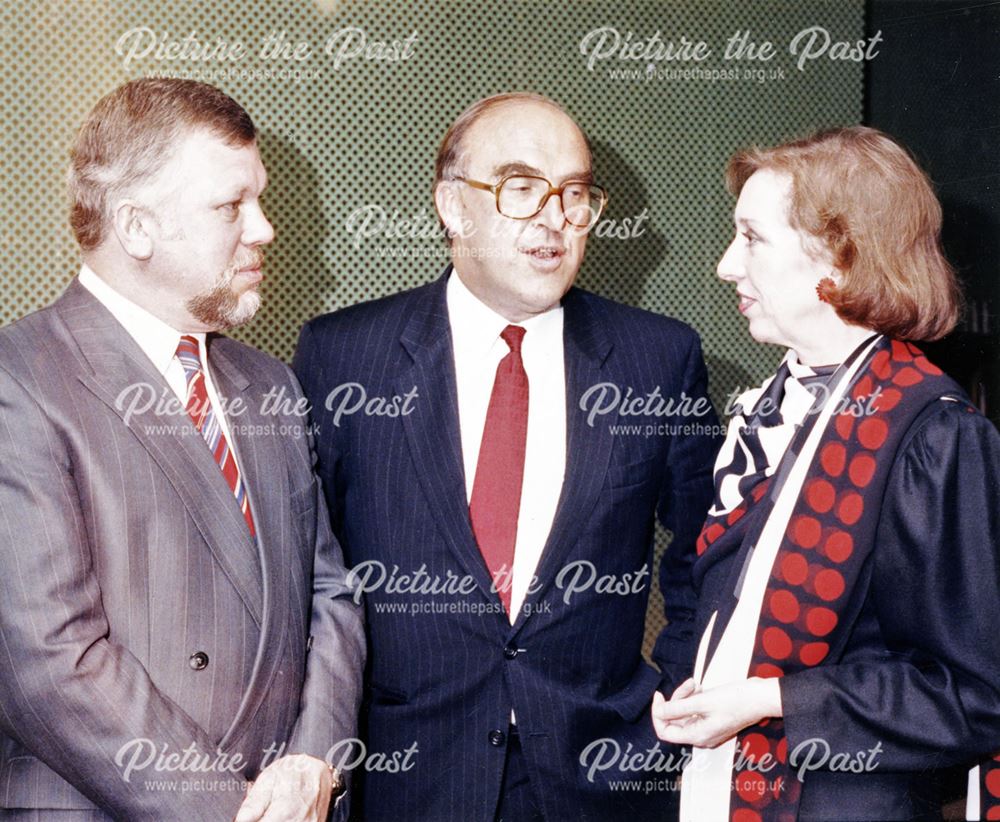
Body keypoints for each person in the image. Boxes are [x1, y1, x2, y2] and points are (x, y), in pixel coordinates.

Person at [293, 92, 721, 820]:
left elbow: (707, 554)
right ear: (453, 206)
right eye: (522, 188)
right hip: (404, 778)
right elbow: (306, 571)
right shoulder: (343, 356)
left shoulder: (658, 358)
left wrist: (671, 704)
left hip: (599, 780)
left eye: (576, 193)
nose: (554, 218)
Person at [0, 78, 365, 821]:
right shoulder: (21, 381)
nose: (263, 229)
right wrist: (232, 812)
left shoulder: (270, 385)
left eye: (258, 200)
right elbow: (48, 660)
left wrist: (312, 761)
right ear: (136, 227)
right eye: (232, 205)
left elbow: (331, 596)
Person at [651, 126, 1000, 820]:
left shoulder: (935, 436)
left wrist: (771, 699)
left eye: (751, 239)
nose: (725, 266)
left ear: (839, 259)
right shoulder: (773, 406)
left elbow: (975, 694)